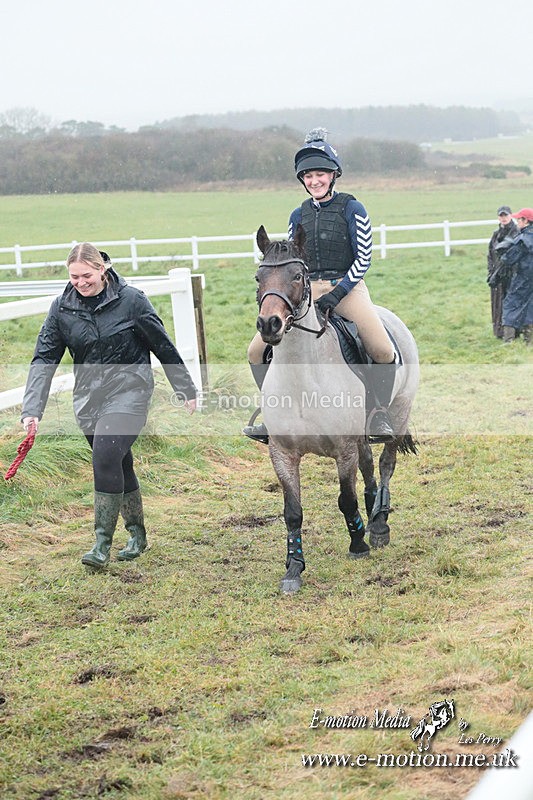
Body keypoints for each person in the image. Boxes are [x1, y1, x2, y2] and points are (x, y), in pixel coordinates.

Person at [21, 243, 197, 570]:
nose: (80, 282)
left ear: (101, 268)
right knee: (118, 462)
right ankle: (137, 535)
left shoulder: (132, 301)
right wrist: (32, 409)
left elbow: (161, 343)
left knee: (104, 454)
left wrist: (185, 387)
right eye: (74, 277)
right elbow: (44, 358)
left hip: (131, 393)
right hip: (89, 400)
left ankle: (101, 543)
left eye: (86, 275)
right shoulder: (62, 309)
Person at [244, 128, 396, 443]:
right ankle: (272, 414)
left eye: (320, 174)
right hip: (305, 293)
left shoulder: (353, 208)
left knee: (381, 349)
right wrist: (302, 295)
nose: (314, 181)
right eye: (309, 176)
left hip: (348, 288)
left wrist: (337, 294)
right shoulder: (297, 214)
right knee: (255, 351)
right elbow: (292, 261)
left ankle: (378, 414)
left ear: (333, 176)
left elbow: (364, 258)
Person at [499, 208, 533, 344]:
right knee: (530, 306)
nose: (517, 221)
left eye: (519, 219)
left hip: (523, 277)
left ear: (526, 221)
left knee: (510, 304)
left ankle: (508, 341)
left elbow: (508, 259)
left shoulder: (523, 239)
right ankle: (529, 341)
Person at [486, 206, 519, 338]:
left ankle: (513, 332)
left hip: (511, 274)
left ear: (510, 216)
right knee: (497, 302)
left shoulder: (516, 232)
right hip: (497, 274)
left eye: (506, 215)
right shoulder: (496, 234)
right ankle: (499, 331)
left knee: (511, 303)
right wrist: (491, 271)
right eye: (501, 216)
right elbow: (490, 254)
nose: (503, 218)